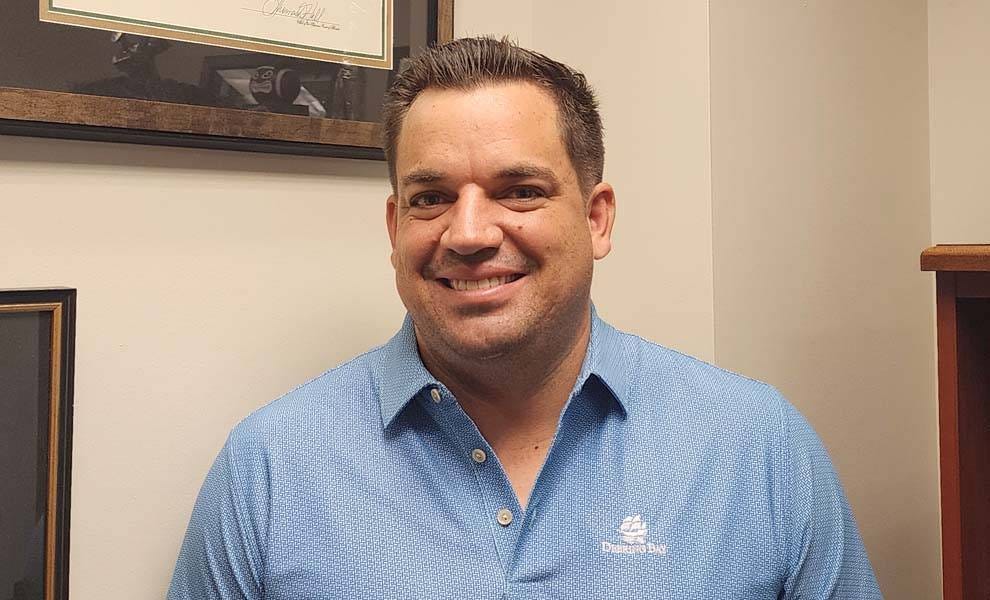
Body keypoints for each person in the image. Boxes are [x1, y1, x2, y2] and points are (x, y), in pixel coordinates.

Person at [168, 37, 881, 599]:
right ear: (394, 227)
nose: (469, 232)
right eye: (430, 198)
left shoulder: (757, 447)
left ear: (597, 219)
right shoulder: (270, 467)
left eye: (519, 190)